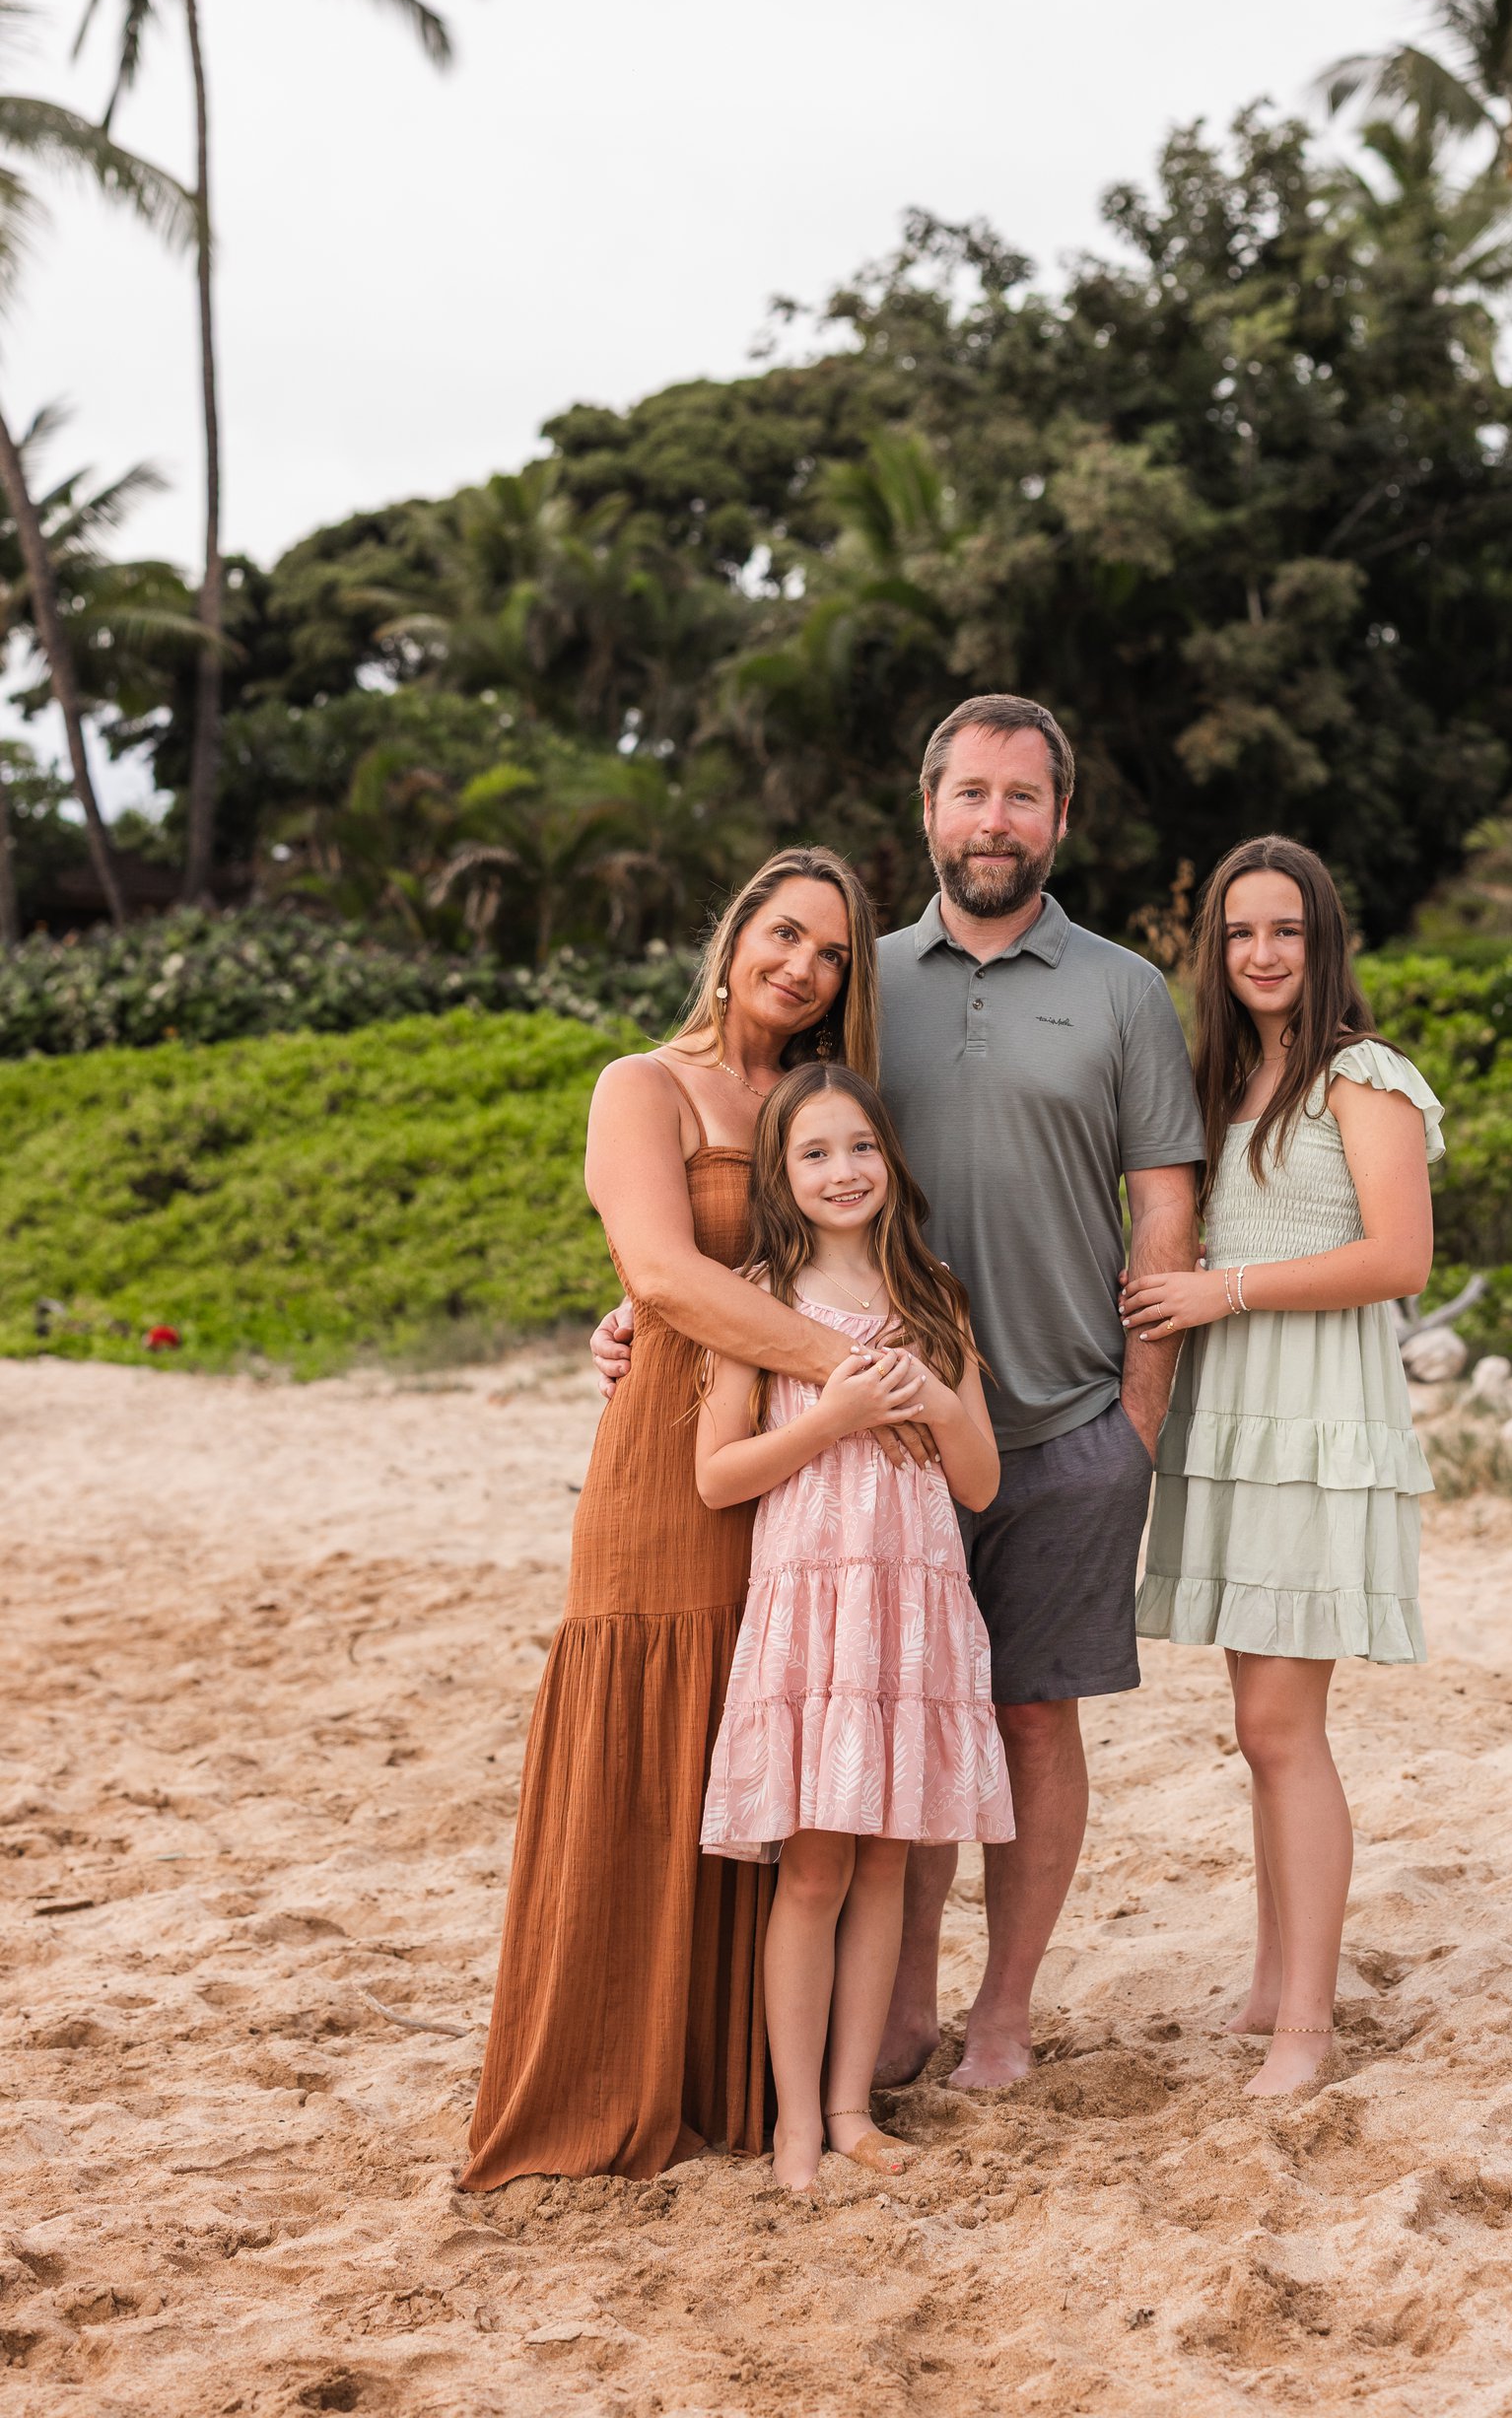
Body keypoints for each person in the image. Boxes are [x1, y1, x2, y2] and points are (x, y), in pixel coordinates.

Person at [596, 694, 1203, 2092]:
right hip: (867, 1451)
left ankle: (1004, 2013)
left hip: (1062, 1423)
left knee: (1031, 1720)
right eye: (970, 793)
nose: (995, 820)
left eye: (1022, 796)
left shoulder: (1124, 990)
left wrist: (1137, 1422)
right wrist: (646, 1299)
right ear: (928, 811)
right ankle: (902, 2010)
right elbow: (770, 1169)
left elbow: (1165, 1209)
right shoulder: (862, 988)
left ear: (1061, 818)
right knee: (902, 1716)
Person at [460, 846, 934, 2189]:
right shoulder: (643, 1085)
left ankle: (753, 2088)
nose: (804, 967)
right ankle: (616, 2072)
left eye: (833, 954)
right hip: (679, 1460)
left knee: (777, 1765)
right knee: (653, 1739)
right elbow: (664, 1271)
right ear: (733, 938)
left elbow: (838, 1254)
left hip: (813, 1486)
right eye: (785, 934)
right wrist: (839, 1369)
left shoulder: (822, 1105)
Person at [1122, 836, 1441, 2100]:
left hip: (1314, 1422)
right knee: (1257, 1730)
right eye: (1241, 932)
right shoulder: (1216, 1086)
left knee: (1279, 1727)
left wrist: (1227, 1289)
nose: (1263, 954)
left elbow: (1399, 1259)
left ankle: (1308, 2023)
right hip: (1236, 1420)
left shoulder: (1361, 1075)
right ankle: (1269, 1985)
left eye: (1287, 931)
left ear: (1323, 942)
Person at [695, 1064, 1010, 2193]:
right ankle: (793, 2125)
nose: (844, 1171)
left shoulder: (934, 1295)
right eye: (815, 1153)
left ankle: (849, 2111)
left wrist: (934, 1397)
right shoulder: (759, 1298)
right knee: (817, 1868)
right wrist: (830, 1416)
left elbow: (979, 1481)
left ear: (892, 1158)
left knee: (887, 1867)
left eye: (862, 1147)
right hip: (817, 1607)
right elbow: (718, 1475)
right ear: (781, 1176)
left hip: (911, 1611)